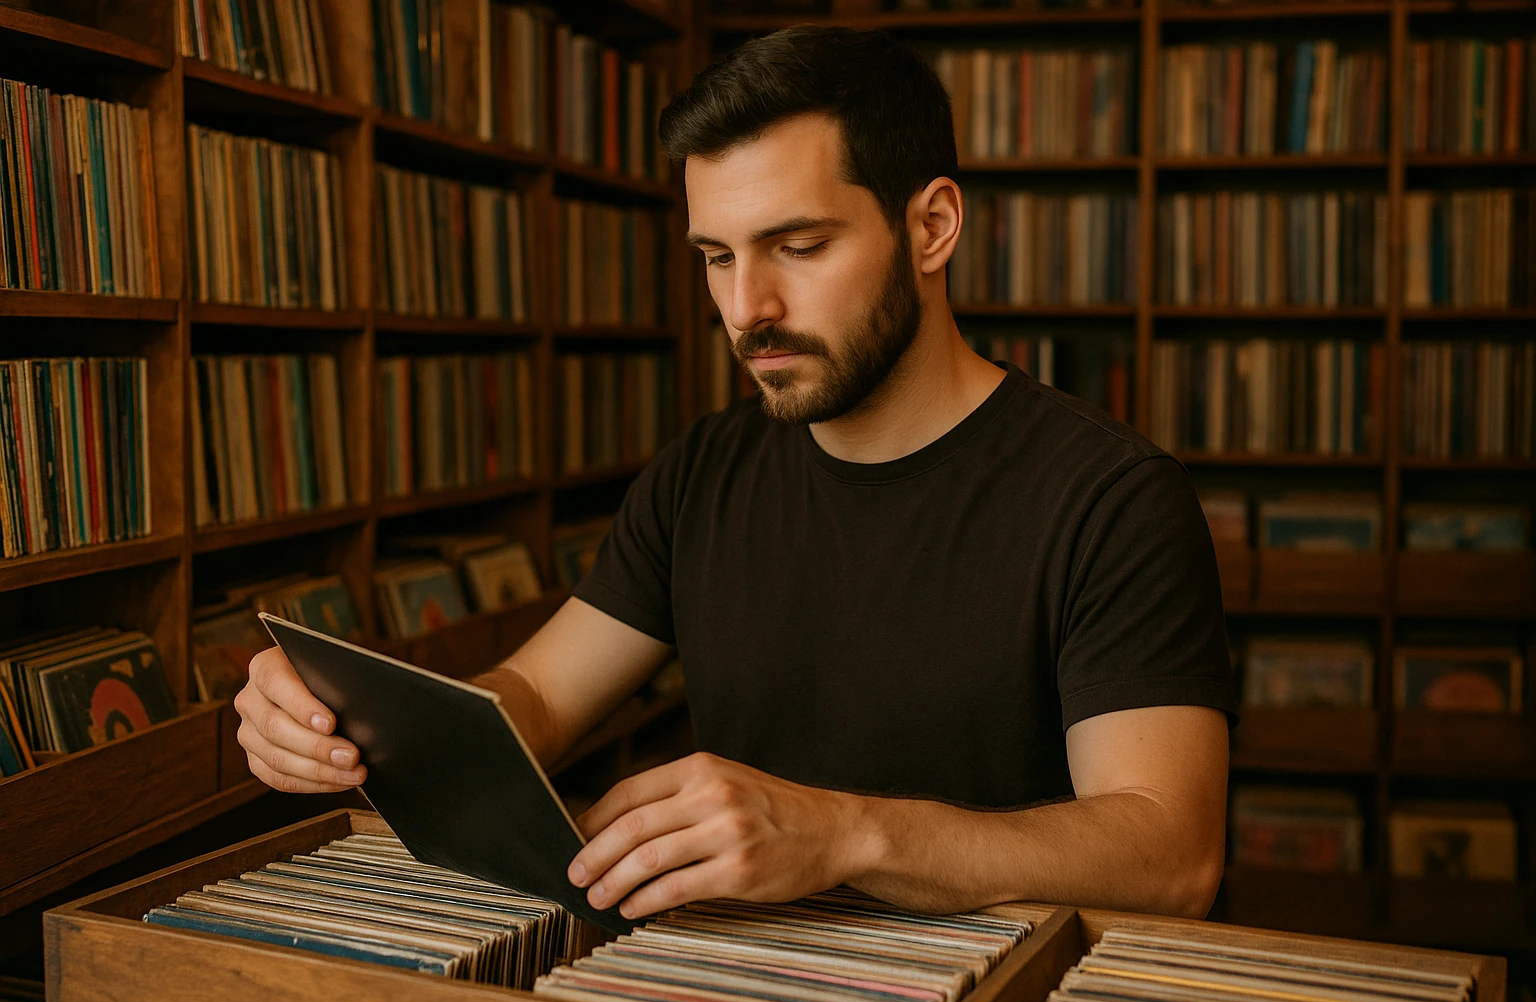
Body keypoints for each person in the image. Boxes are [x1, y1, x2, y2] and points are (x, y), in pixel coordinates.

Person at [236, 25, 1236, 924]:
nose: (747, 306)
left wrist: (844, 831)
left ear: (931, 228)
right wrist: (353, 722)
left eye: (798, 246)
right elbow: (531, 702)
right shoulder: (703, 471)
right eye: (716, 255)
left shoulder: (1114, 498)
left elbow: (1171, 853)